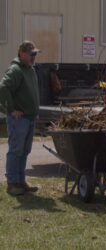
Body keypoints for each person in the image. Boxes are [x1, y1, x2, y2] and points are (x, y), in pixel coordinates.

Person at [0, 41, 41, 195]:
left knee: (24, 150)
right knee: (16, 150)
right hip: (19, 119)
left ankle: (21, 181)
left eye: (35, 54)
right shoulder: (16, 69)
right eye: (31, 54)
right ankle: (12, 184)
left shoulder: (30, 69)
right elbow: (3, 88)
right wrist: (11, 109)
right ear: (22, 54)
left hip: (29, 118)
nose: (34, 57)